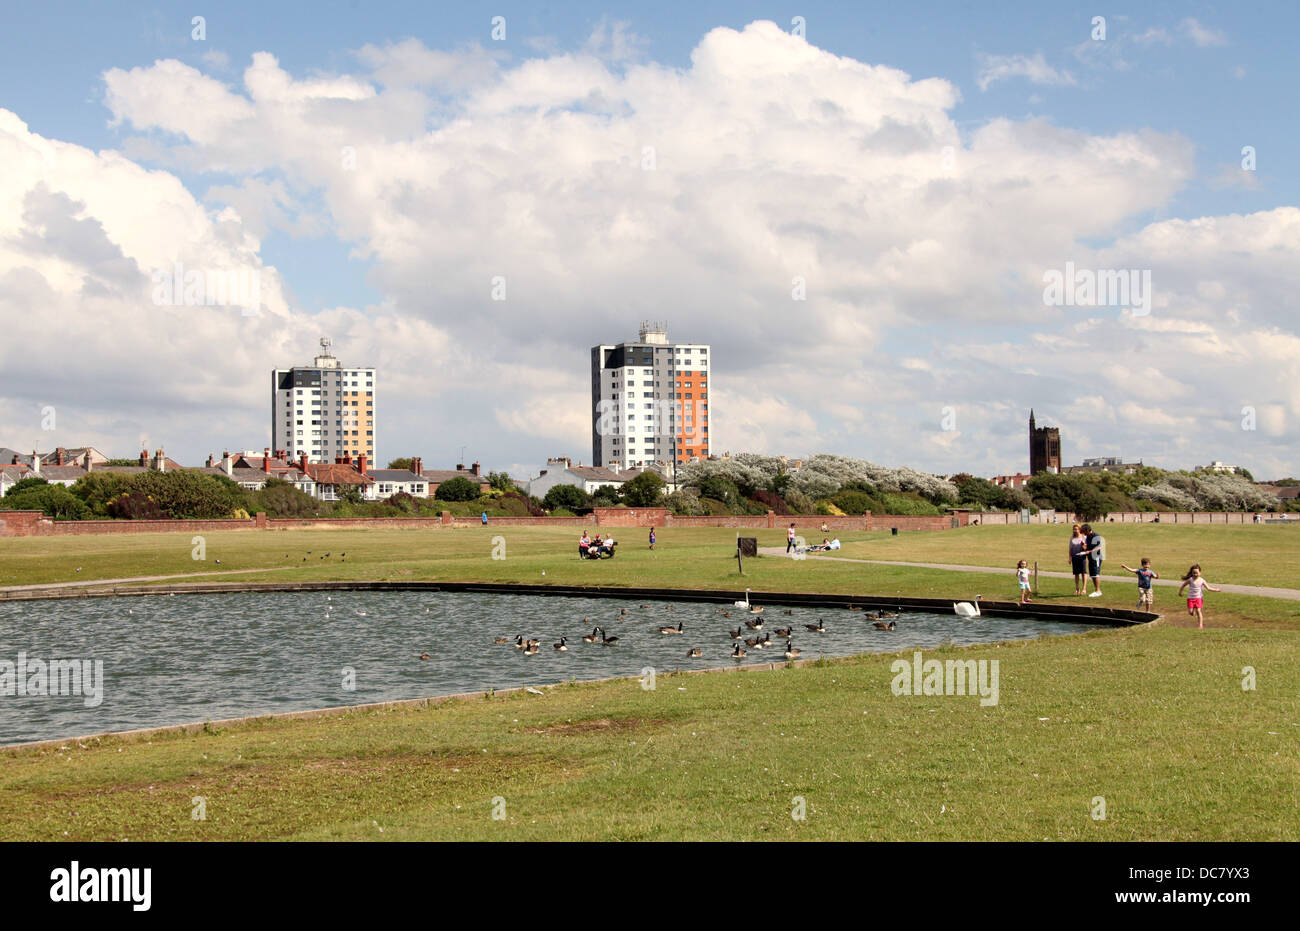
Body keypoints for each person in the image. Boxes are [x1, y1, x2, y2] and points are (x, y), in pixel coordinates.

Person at [1178, 564, 1222, 629]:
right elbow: (1183, 585)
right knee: (1190, 612)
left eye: (1196, 573)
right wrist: (1180, 592)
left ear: (1200, 573)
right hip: (1190, 598)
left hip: (1198, 598)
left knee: (1198, 611)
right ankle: (1192, 612)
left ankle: (1200, 625)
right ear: (1192, 573)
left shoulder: (1202, 580)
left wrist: (1216, 590)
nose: (1195, 574)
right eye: (1193, 573)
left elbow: (1208, 588)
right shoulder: (1190, 580)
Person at [1080, 523, 1105, 597]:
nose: (1083, 533)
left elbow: (1099, 547)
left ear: (1087, 530)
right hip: (1090, 557)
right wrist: (1084, 547)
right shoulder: (1088, 537)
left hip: (1096, 557)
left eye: (1084, 531)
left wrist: (1089, 551)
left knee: (1096, 574)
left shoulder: (1095, 536)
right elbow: (1089, 547)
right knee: (1092, 574)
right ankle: (1096, 590)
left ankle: (1098, 591)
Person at [1068, 523, 1087, 595]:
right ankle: (1077, 589)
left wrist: (1083, 544)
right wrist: (1069, 558)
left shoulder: (1084, 537)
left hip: (1082, 558)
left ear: (1079, 530)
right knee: (1076, 574)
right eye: (1074, 529)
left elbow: (1086, 548)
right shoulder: (1072, 538)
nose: (1075, 530)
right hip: (1074, 558)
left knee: (1083, 573)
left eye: (1076, 529)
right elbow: (1070, 549)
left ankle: (1084, 589)